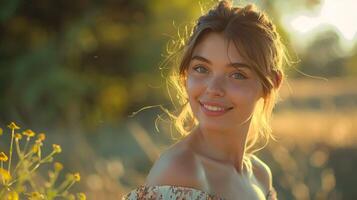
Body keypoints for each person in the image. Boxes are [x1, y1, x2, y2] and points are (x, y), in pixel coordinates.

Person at [123, 0, 286, 199]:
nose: (213, 89)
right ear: (185, 76)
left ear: (273, 83)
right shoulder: (180, 171)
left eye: (237, 74)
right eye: (201, 69)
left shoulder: (260, 175)